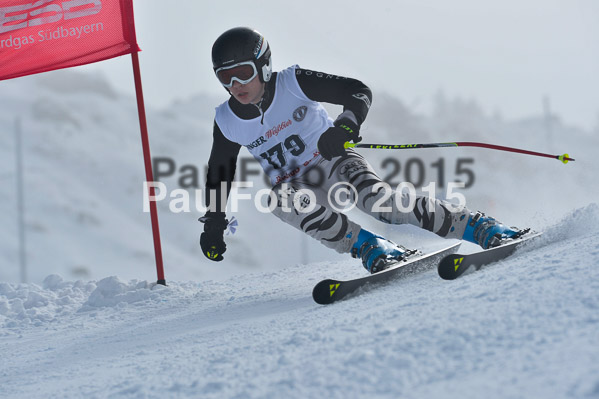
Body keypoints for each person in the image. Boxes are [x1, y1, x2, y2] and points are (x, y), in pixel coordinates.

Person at [200, 27, 527, 273]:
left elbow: (357, 91)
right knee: (278, 199)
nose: (235, 85)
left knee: (379, 203)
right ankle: (372, 247)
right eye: (225, 77)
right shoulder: (227, 119)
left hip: (334, 161)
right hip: (297, 185)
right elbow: (220, 172)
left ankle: (478, 227)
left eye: (242, 73)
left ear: (264, 66)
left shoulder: (292, 82)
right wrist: (214, 222)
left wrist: (344, 126)